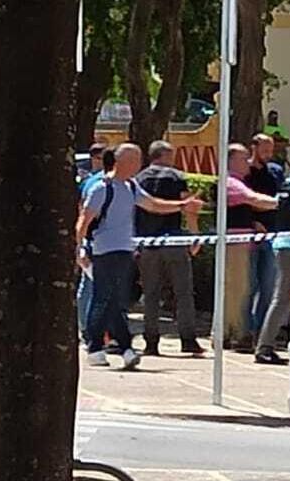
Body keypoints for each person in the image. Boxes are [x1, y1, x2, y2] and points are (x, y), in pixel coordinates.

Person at [75, 143, 201, 370]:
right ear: (122, 161)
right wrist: (80, 250)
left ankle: (110, 347)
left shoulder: (131, 187)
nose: (139, 164)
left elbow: (152, 204)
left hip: (124, 250)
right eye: (135, 160)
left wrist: (182, 206)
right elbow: (84, 220)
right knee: (106, 298)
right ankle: (114, 347)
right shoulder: (102, 188)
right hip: (103, 251)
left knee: (114, 300)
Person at [136, 140, 205, 357]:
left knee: (151, 293)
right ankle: (188, 339)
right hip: (173, 240)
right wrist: (194, 236)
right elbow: (189, 207)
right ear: (166, 156)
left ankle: (151, 341)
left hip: (147, 242)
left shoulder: (139, 178)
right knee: (183, 292)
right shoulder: (176, 177)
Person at [255, 149, 290, 365]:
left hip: (283, 243)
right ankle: (265, 347)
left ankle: (268, 344)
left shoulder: (289, 183)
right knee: (283, 298)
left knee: (285, 297)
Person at [221, 142, 280, 352]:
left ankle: (230, 334)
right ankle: (236, 335)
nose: (248, 162)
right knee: (238, 291)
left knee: (238, 290)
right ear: (231, 161)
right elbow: (254, 199)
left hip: (244, 242)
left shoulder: (239, 181)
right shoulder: (232, 183)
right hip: (235, 244)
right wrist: (281, 202)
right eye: (243, 158)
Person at [241, 133, 285, 353]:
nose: (268, 155)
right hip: (250, 234)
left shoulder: (275, 172)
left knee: (268, 286)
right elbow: (243, 201)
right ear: (254, 148)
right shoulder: (244, 173)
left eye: (271, 150)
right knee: (249, 286)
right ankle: (245, 333)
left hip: (272, 235)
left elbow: (280, 199)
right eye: (265, 150)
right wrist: (254, 220)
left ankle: (261, 332)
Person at [76, 143, 111, 344]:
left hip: (92, 240)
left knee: (88, 285)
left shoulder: (88, 182)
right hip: (100, 241)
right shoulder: (99, 184)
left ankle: (87, 329)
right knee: (95, 286)